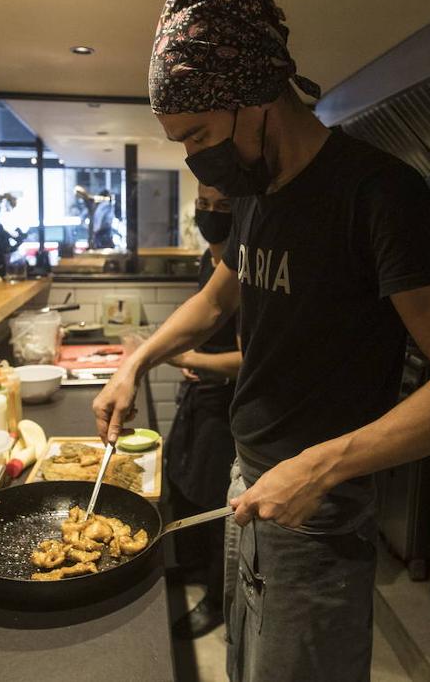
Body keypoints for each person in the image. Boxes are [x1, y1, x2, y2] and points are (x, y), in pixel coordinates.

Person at [92, 0, 430, 682]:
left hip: (319, 507)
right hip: (248, 482)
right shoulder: (257, 190)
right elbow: (218, 297)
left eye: (197, 136)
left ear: (254, 96)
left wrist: (320, 466)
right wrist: (135, 361)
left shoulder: (378, 195)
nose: (195, 162)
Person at [163, 184, 242, 639]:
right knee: (184, 481)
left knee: (216, 502)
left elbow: (247, 359)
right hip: (201, 398)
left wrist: (189, 360)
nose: (211, 214)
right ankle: (192, 570)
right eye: (204, 205)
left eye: (224, 205)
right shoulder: (206, 262)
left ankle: (216, 599)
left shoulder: (244, 271)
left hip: (228, 404)